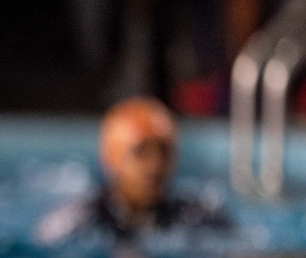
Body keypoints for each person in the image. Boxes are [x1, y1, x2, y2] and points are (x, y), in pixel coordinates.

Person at [35, 97, 230, 245]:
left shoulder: (199, 217)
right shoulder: (78, 221)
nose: (154, 165)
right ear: (111, 158)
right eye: (140, 152)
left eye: (163, 151)